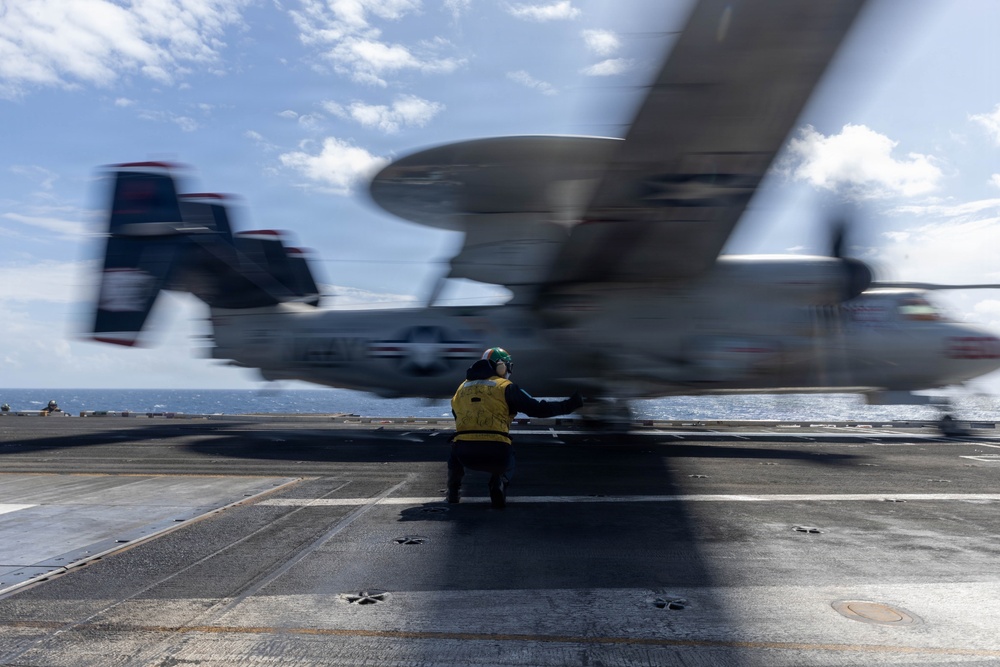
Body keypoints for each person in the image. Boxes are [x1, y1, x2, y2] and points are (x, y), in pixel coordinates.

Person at [449, 347, 584, 508]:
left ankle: (453, 491)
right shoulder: (506, 387)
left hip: (466, 455)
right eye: (507, 366)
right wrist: (571, 404)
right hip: (497, 454)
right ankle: (498, 482)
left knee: (455, 447)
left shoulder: (461, 389)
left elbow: (457, 415)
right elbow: (539, 409)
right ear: (500, 366)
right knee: (509, 450)